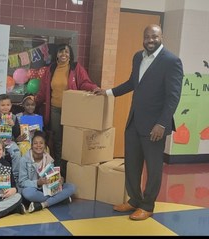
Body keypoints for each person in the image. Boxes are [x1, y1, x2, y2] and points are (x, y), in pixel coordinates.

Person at [95, 24, 183, 220]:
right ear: (143, 38)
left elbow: (173, 97)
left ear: (162, 37)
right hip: (134, 121)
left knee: (153, 168)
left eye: (154, 36)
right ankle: (134, 199)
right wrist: (108, 92)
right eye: (147, 37)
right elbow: (132, 83)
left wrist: (162, 123)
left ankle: (147, 204)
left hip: (155, 126)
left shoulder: (171, 61)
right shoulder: (138, 56)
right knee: (132, 165)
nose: (150, 40)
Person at [35, 43, 101, 167]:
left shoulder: (76, 68)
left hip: (71, 111)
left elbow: (84, 83)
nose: (63, 54)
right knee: (58, 141)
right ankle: (60, 169)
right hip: (55, 110)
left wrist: (94, 87)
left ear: (70, 55)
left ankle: (71, 168)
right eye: (61, 52)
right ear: (56, 54)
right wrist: (34, 101)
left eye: (66, 52)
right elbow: (43, 90)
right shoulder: (51, 69)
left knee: (71, 140)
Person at [18, 131, 75, 213]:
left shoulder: (49, 159)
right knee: (27, 192)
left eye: (41, 143)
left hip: (48, 189)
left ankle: (43, 204)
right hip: (35, 190)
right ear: (31, 145)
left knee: (71, 187)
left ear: (45, 146)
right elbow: (22, 182)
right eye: (35, 143)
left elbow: (54, 178)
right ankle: (60, 200)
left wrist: (60, 180)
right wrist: (37, 183)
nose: (38, 146)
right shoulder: (24, 160)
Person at [0, 93, 23, 184]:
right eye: (2, 105)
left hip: (10, 141)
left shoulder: (14, 117)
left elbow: (17, 134)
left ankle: (15, 177)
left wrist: (13, 125)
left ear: (11, 105)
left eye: (8, 105)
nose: (5, 107)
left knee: (16, 153)